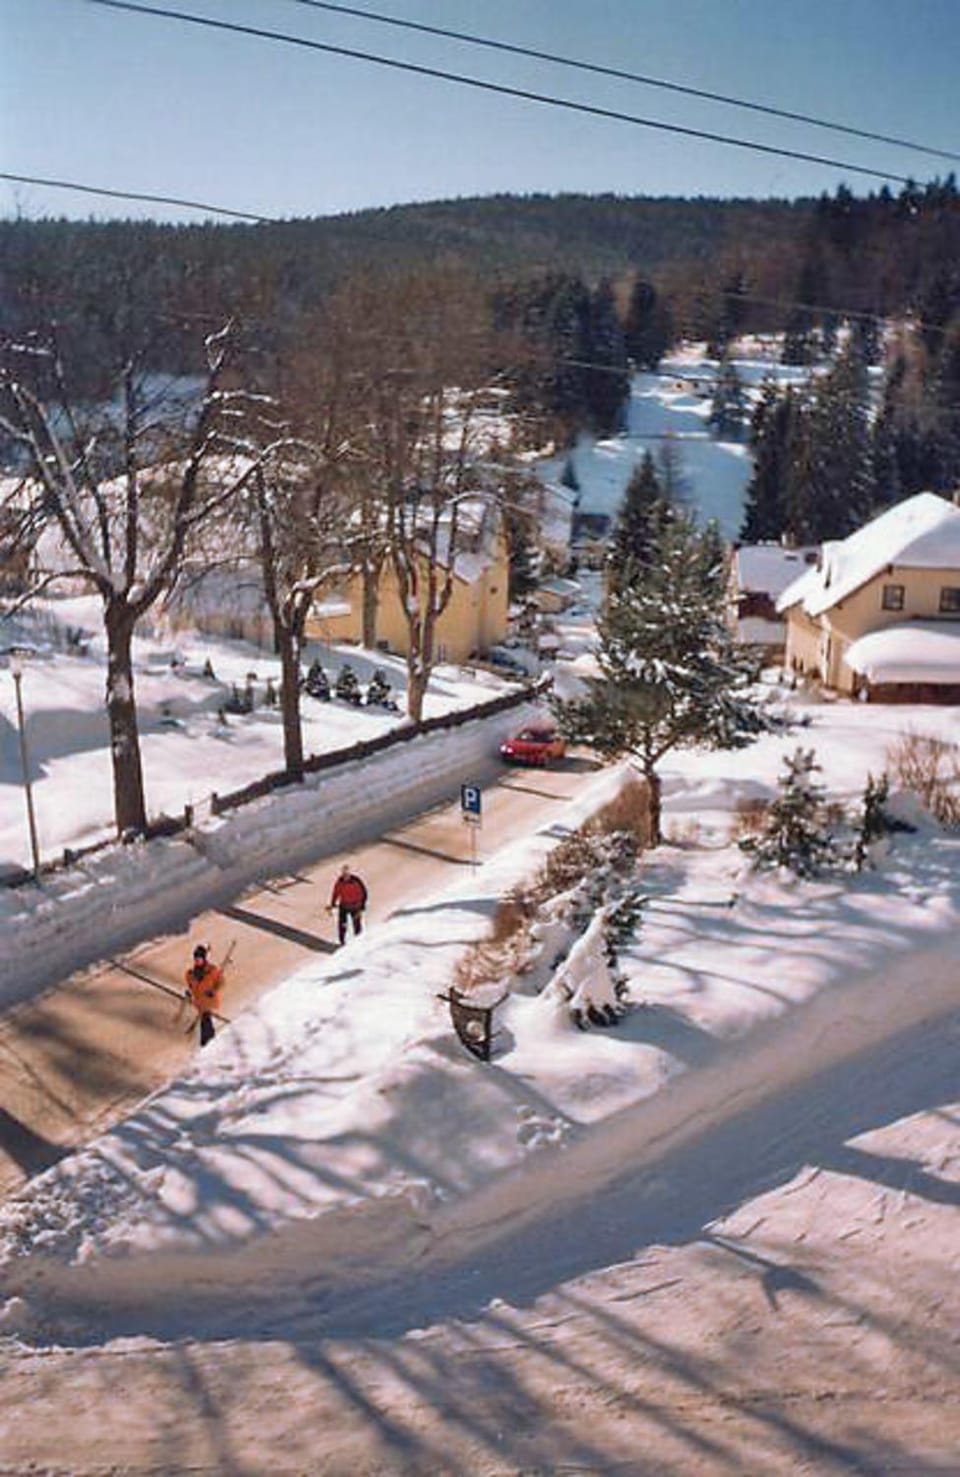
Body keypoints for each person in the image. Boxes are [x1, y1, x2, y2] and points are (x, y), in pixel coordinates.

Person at [182, 944, 225, 1047]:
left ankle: (208, 1043)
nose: (197, 960)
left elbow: (221, 982)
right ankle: (208, 1043)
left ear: (204, 959)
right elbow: (191, 987)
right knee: (204, 1020)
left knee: (206, 1020)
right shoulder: (191, 974)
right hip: (200, 1002)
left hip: (209, 1001)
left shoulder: (212, 970)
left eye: (199, 958)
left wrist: (213, 991)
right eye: (196, 958)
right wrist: (189, 993)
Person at [328, 863, 368, 945]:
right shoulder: (339, 882)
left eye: (346, 874)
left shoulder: (356, 881)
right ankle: (342, 941)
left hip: (355, 906)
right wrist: (332, 904)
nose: (345, 876)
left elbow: (364, 893)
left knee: (357, 925)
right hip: (344, 906)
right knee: (342, 924)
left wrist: (362, 906)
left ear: (349, 873)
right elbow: (336, 893)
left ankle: (358, 941)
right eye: (343, 874)